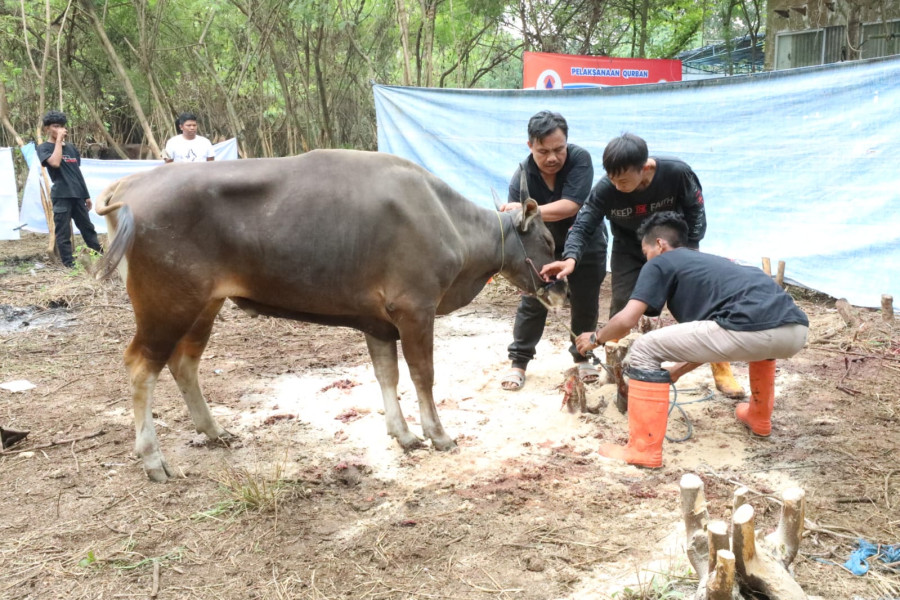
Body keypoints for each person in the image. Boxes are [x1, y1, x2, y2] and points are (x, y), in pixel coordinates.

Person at [570, 212, 809, 468]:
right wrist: (677, 371)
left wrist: (596, 337)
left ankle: (642, 449)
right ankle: (759, 418)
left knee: (643, 348)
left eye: (646, 251)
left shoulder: (662, 261)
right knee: (755, 341)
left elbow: (628, 320)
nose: (646, 258)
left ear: (660, 244)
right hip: (794, 332)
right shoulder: (718, 264)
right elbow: (715, 340)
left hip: (747, 330)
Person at [541, 132, 746, 399]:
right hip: (629, 248)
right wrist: (570, 258)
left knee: (694, 306)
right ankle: (615, 370)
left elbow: (696, 213)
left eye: (623, 180)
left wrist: (689, 253)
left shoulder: (677, 174)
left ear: (645, 168)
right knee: (623, 305)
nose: (616, 186)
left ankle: (722, 370)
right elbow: (583, 224)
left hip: (672, 247)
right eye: (612, 179)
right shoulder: (607, 189)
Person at [498, 111, 608, 391]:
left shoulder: (580, 159)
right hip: (543, 247)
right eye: (543, 151)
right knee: (535, 299)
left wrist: (529, 211)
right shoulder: (521, 176)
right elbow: (518, 226)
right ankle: (518, 363)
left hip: (586, 241)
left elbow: (571, 205)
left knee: (586, 299)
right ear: (530, 146)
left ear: (567, 143)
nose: (552, 158)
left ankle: (583, 358)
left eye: (559, 149)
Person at [36, 110, 104, 269]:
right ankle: (69, 265)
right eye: (55, 126)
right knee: (63, 232)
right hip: (61, 195)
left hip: (78, 195)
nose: (60, 129)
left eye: (62, 127)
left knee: (88, 229)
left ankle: (101, 258)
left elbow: (76, 172)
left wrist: (86, 195)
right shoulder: (43, 148)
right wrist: (59, 140)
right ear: (47, 129)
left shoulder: (72, 149)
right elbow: (54, 163)